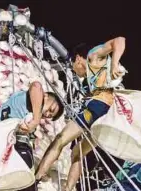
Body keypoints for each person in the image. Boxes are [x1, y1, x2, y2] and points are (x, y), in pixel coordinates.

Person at [35, 37, 126, 182]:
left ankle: (37, 176)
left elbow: (120, 40)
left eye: (72, 67)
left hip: (99, 107)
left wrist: (114, 63)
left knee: (60, 139)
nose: (74, 72)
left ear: (78, 59)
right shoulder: (88, 81)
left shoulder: (93, 55)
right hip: (108, 117)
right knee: (77, 152)